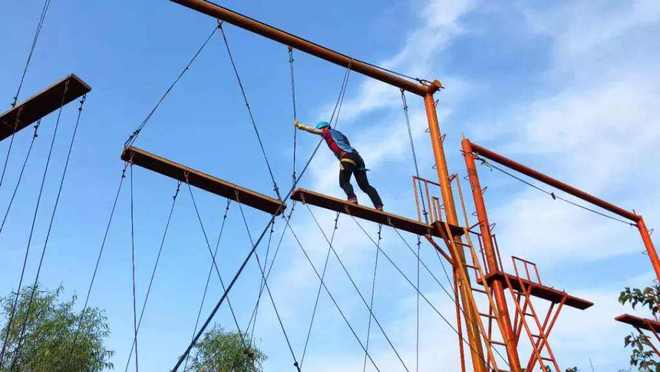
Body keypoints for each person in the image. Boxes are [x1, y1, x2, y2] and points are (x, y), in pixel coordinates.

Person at [295, 119, 384, 211]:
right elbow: (347, 144)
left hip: (347, 157)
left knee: (343, 182)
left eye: (321, 131)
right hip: (358, 158)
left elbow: (314, 130)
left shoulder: (327, 132)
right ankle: (379, 205)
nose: (321, 135)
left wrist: (301, 126)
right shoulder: (339, 135)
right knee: (365, 186)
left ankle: (352, 198)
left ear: (325, 128)